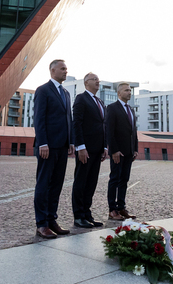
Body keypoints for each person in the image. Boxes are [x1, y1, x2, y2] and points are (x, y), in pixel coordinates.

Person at [33, 59, 75, 239]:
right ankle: (41, 224)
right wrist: (43, 143)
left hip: (62, 146)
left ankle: (52, 220)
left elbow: (68, 119)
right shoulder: (43, 90)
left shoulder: (66, 93)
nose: (66, 71)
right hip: (47, 147)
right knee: (43, 184)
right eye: (62, 69)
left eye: (66, 69)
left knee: (56, 185)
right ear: (52, 71)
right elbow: (39, 118)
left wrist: (71, 141)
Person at [71, 72, 108, 228]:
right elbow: (77, 123)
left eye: (98, 79)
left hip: (98, 149)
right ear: (86, 83)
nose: (97, 82)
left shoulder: (100, 101)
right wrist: (80, 147)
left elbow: (104, 125)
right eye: (94, 79)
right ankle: (78, 216)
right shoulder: (81, 98)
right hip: (85, 149)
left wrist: (105, 146)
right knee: (81, 181)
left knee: (91, 182)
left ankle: (87, 214)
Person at [105, 81, 138, 221]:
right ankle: (112, 210)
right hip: (118, 152)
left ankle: (121, 207)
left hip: (129, 152)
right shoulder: (112, 108)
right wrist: (114, 150)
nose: (129, 92)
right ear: (119, 93)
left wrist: (135, 149)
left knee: (124, 180)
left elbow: (133, 131)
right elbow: (109, 131)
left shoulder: (131, 109)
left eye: (130, 90)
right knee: (115, 179)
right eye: (126, 90)